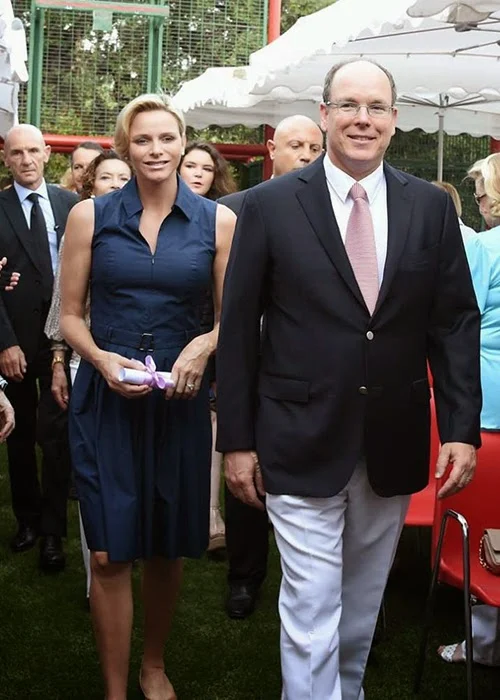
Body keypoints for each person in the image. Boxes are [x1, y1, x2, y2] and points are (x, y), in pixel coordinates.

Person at [216, 59, 481, 700]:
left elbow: (453, 323)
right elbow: (239, 327)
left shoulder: (429, 208)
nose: (363, 119)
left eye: (377, 107)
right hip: (295, 435)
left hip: (392, 439)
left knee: (360, 603)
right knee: (310, 607)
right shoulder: (270, 205)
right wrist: (237, 441)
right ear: (327, 112)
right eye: (350, 105)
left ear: (394, 119)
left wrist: (461, 428)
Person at [60, 94, 235, 700]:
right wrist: (101, 359)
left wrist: (202, 348)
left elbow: (230, 317)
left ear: (184, 142)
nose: (156, 150)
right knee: (108, 552)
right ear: (123, 147)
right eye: (143, 141)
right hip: (106, 401)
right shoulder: (90, 216)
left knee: (166, 546)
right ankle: (114, 688)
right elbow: (71, 315)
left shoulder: (219, 222)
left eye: (167, 139)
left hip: (181, 407)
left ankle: (153, 664)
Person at [217, 114, 324, 619]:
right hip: (247, 363)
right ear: (270, 148)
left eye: (314, 146)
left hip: (307, 370)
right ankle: (245, 575)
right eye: (296, 144)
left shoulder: (336, 212)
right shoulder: (230, 212)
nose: (306, 154)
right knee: (244, 470)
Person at [45, 150, 132, 600]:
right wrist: (60, 362)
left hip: (143, 367)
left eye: (124, 176)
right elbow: (64, 308)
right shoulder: (83, 227)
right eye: (107, 177)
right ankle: (94, 576)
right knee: (94, 474)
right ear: (90, 184)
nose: (116, 183)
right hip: (87, 363)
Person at [0, 124, 78, 571]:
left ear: (48, 154)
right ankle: (27, 520)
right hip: (13, 341)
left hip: (61, 343)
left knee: (55, 439)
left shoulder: (73, 206)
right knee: (19, 435)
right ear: (6, 159)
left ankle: (53, 532)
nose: (27, 159)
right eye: (17, 153)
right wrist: (5, 342)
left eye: (34, 151)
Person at [437, 153, 500, 668]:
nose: (479, 204)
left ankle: (483, 642)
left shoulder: (483, 245)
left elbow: (461, 313)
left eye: (481, 194)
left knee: (485, 524)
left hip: (489, 398)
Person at [179, 140, 237, 554]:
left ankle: (210, 514)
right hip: (166, 335)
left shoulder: (225, 220)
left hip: (215, 336)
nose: (198, 174)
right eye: (191, 166)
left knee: (212, 427)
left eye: (207, 168)